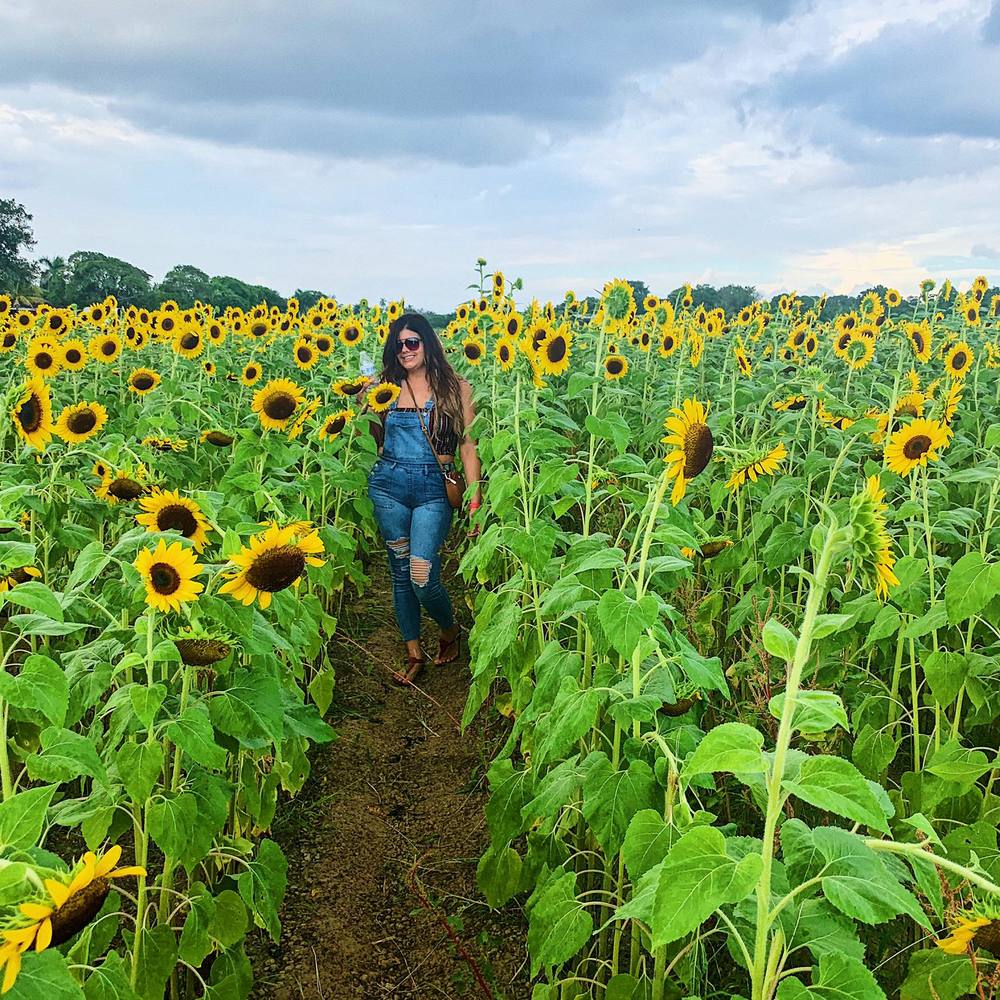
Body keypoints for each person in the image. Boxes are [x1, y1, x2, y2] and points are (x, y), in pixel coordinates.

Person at [365, 312, 482, 685]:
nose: (404, 350)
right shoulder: (385, 386)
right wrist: (363, 403)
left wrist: (475, 496)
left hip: (434, 485)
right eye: (398, 345)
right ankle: (413, 652)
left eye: (411, 342)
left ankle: (449, 630)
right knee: (399, 571)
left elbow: (467, 444)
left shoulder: (455, 387)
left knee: (421, 574)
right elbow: (370, 439)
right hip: (389, 484)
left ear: (427, 344)